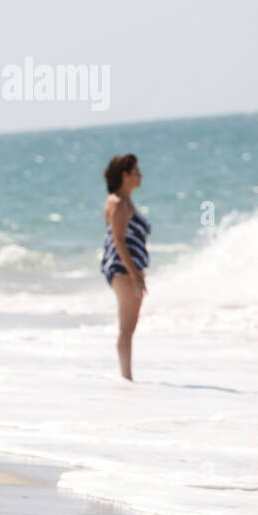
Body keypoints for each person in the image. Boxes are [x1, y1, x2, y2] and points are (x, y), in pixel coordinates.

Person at [101, 154, 149, 381]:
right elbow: (119, 241)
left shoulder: (122, 201)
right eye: (136, 172)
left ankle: (127, 377)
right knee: (127, 328)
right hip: (123, 269)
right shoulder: (119, 203)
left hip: (125, 268)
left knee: (129, 327)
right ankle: (126, 378)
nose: (141, 176)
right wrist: (135, 274)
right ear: (125, 175)